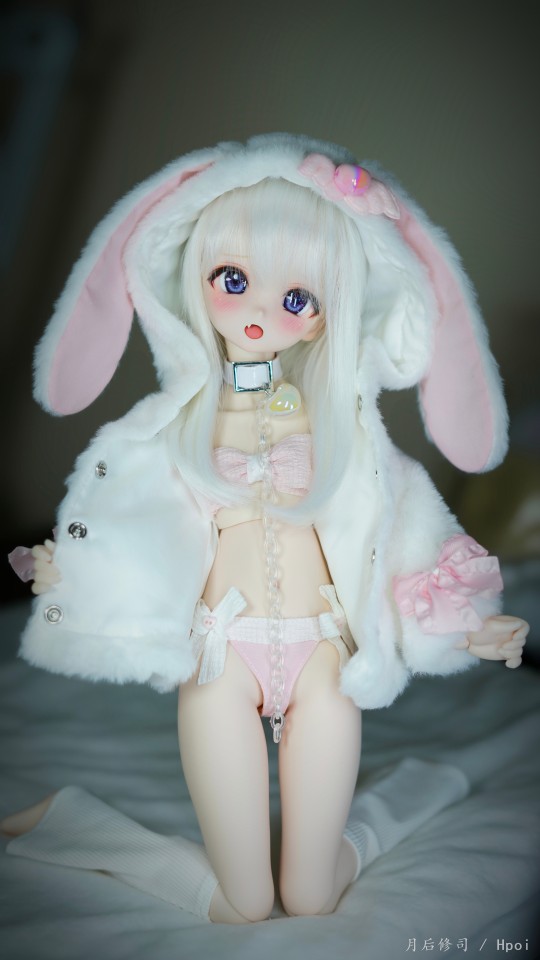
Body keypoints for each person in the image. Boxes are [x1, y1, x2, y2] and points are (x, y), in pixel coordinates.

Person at [3, 135, 528, 923]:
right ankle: (71, 822)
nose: (258, 312)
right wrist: (73, 566)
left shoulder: (343, 430)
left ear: (321, 319)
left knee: (310, 899)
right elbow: (137, 523)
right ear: (195, 280)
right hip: (221, 659)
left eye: (296, 298)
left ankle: (411, 794)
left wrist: (471, 620)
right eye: (234, 280)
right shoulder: (170, 427)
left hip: (322, 662)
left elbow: (403, 522)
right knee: (243, 904)